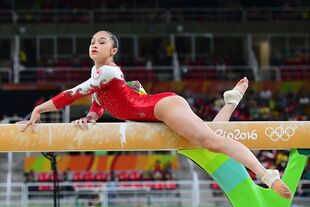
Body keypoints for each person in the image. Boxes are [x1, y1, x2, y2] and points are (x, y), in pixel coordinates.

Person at [17, 30, 292, 199]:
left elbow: (75, 93)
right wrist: (91, 117)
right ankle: (230, 103)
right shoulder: (99, 76)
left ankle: (266, 175)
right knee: (209, 140)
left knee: (210, 142)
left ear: (112, 51)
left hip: (161, 107)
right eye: (92, 41)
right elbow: (98, 100)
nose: (94, 44)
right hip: (158, 111)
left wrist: (40, 109)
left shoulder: (108, 71)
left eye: (101, 42)